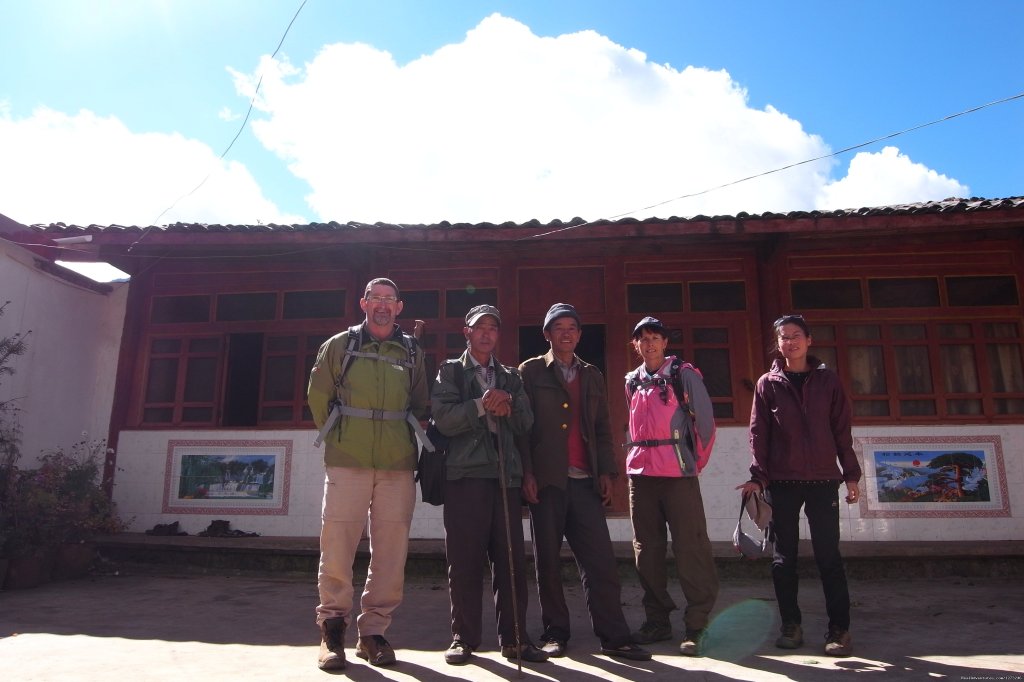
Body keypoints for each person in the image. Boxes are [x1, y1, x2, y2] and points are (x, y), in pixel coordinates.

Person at [306, 278, 429, 671]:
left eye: (389, 299)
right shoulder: (340, 345)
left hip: (397, 463)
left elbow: (421, 402)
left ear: (399, 306)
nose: (381, 305)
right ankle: (332, 631)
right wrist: (342, 437)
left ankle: (373, 632)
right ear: (363, 303)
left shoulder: (411, 350)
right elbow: (317, 394)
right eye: (375, 298)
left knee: (391, 553)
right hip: (347, 460)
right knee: (337, 547)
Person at [517, 303, 651, 661]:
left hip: (585, 481)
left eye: (572, 327)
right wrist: (526, 473)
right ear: (547, 334)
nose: (566, 333)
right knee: (547, 562)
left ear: (579, 334)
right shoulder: (529, 372)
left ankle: (614, 636)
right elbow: (521, 429)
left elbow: (603, 428)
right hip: (547, 482)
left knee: (600, 563)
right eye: (558, 327)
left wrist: (607, 472)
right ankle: (555, 632)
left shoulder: (592, 374)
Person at [738, 313, 861, 657]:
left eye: (795, 336)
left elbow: (841, 432)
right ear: (777, 344)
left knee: (828, 557)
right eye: (783, 337)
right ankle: (790, 625)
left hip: (823, 480)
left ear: (809, 341)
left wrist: (850, 475)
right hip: (783, 481)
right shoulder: (767, 383)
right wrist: (758, 477)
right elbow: (758, 434)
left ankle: (839, 629)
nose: (789, 342)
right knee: (783, 558)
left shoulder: (829, 382)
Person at [430, 304, 546, 666]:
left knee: (510, 560)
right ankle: (463, 638)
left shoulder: (510, 376)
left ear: (498, 334)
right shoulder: (450, 371)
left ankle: (515, 639)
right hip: (465, 477)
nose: (486, 333)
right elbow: (445, 419)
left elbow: (527, 422)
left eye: (492, 328)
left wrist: (507, 403)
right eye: (479, 327)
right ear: (466, 332)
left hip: (505, 478)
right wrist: (482, 404)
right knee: (464, 561)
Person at [624, 316, 719, 656]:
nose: (648, 344)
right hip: (641, 477)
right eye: (642, 339)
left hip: (678, 477)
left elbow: (705, 424)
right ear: (636, 345)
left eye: (654, 337)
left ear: (665, 342)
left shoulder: (683, 375)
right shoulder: (632, 381)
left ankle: (697, 624)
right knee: (646, 551)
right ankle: (657, 620)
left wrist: (694, 464)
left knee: (690, 549)